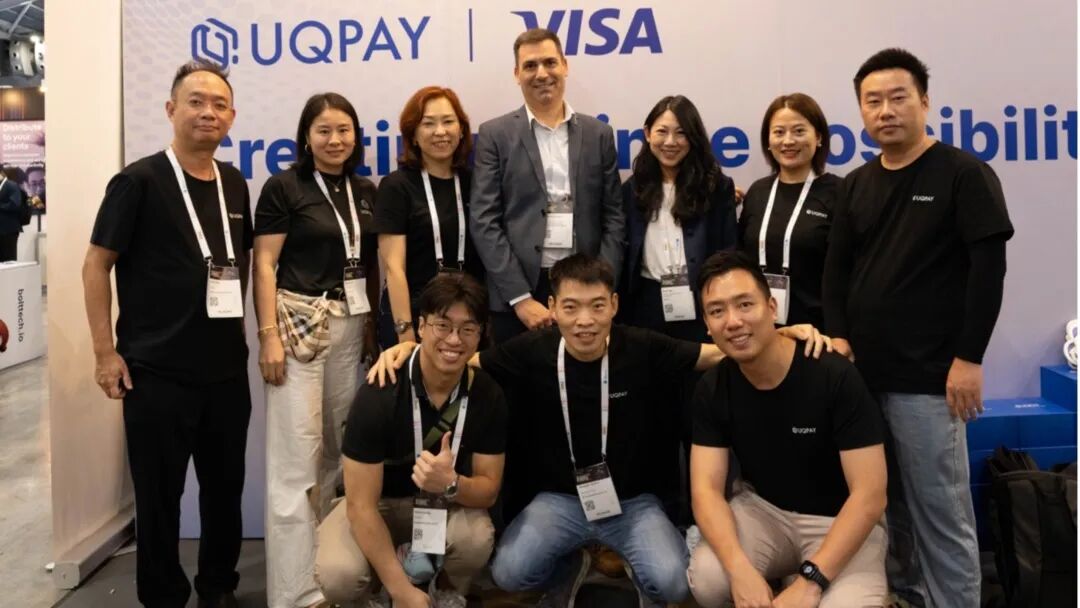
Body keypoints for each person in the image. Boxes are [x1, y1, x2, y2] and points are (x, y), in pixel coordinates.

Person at [368, 254, 831, 607]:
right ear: (553, 308)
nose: (584, 321)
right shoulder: (531, 349)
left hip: (633, 502)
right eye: (571, 307)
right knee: (510, 572)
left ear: (614, 305)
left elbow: (714, 353)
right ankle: (572, 564)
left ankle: (634, 566)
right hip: (560, 500)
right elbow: (462, 360)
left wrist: (783, 334)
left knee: (674, 582)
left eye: (596, 306)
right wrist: (408, 353)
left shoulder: (642, 346)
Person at [823, 48, 1014, 608]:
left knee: (940, 511)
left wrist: (969, 358)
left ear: (925, 102)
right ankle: (907, 596)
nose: (885, 111)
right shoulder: (856, 184)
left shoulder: (964, 174)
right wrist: (839, 337)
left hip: (931, 380)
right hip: (863, 378)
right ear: (861, 111)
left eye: (898, 97)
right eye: (872, 101)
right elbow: (836, 274)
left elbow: (989, 274)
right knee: (888, 507)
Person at [82, 60, 251, 608]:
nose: (208, 112)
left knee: (225, 492)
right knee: (159, 500)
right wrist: (105, 353)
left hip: (225, 373)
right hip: (156, 374)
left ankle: (218, 587)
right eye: (196, 101)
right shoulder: (138, 181)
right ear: (171, 109)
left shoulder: (233, 182)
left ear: (231, 117)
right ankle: (162, 596)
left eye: (219, 104)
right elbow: (95, 264)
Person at [686, 251, 888, 608]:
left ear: (771, 307)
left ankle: (798, 578)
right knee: (709, 579)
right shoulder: (714, 387)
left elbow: (870, 495)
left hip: (839, 520)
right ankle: (779, 577)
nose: (733, 321)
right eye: (717, 311)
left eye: (744, 304)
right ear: (707, 323)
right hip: (764, 512)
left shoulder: (833, 374)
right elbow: (705, 489)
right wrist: (739, 570)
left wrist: (811, 582)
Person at [253, 92, 380, 608]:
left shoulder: (365, 190)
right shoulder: (284, 187)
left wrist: (370, 327)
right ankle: (295, 595)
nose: (335, 140)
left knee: (340, 458)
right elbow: (264, 265)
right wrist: (268, 335)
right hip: (298, 329)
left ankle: (333, 578)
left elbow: (368, 264)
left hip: (351, 329)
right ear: (306, 136)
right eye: (324, 130)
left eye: (344, 130)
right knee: (295, 464)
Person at [315, 273, 506, 608]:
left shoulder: (487, 394)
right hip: (379, 504)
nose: (454, 339)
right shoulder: (381, 389)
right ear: (421, 326)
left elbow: (488, 490)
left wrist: (451, 484)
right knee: (339, 574)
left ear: (480, 335)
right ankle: (382, 594)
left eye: (468, 329)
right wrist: (402, 591)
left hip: (441, 503)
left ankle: (442, 590)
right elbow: (361, 506)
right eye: (442, 325)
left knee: (475, 539)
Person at [470, 28, 625, 344]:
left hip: (585, 284)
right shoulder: (494, 135)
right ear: (517, 74)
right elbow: (484, 221)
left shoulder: (599, 134)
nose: (542, 73)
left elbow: (614, 218)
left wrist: (600, 288)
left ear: (565, 66)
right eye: (530, 66)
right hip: (518, 291)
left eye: (550, 63)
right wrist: (520, 298)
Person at [620, 95, 737, 342]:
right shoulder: (633, 189)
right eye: (662, 131)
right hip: (645, 300)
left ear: (693, 137)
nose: (670, 142)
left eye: (681, 133)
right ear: (647, 134)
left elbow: (728, 250)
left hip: (700, 297)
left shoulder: (716, 187)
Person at [374, 86, 484, 348]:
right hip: (414, 313)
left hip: (466, 315)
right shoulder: (396, 186)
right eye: (428, 123)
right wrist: (405, 332)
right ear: (413, 134)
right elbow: (394, 268)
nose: (440, 131)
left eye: (448, 121)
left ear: (461, 130)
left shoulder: (477, 183)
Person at [737, 93, 841, 329]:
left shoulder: (839, 193)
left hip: (817, 331)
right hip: (759, 328)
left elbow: (847, 271)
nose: (788, 141)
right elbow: (740, 255)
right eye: (779, 132)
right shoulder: (758, 192)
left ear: (819, 137)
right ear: (768, 140)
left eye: (799, 131)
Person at [0, 167, 24, 261]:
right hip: (1, 230)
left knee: (9, 259)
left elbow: (15, 204)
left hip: (9, 230)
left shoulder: (11, 185)